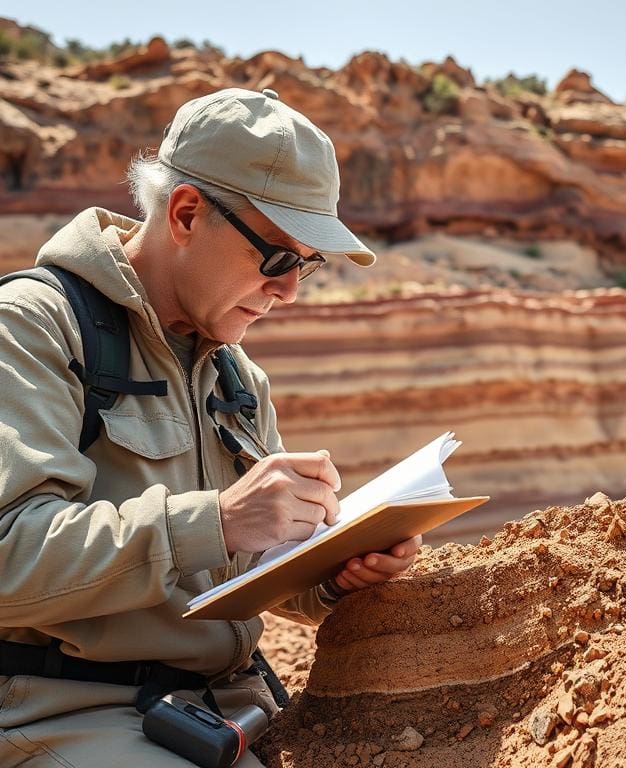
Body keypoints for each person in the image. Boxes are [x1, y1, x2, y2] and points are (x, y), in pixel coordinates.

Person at [0, 87, 420, 767]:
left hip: (221, 708)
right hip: (70, 711)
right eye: (280, 257)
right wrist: (217, 519)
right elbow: (9, 553)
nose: (291, 291)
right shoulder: (32, 327)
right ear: (187, 213)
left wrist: (332, 576)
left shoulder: (237, 378)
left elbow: (247, 570)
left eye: (309, 265)